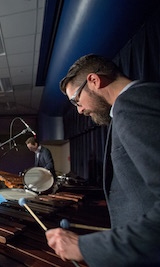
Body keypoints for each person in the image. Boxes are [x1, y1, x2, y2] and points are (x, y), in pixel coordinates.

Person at [45, 54, 160, 266]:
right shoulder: (131, 106)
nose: (79, 110)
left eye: (76, 101)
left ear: (94, 81)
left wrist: (86, 248)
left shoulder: (132, 106)